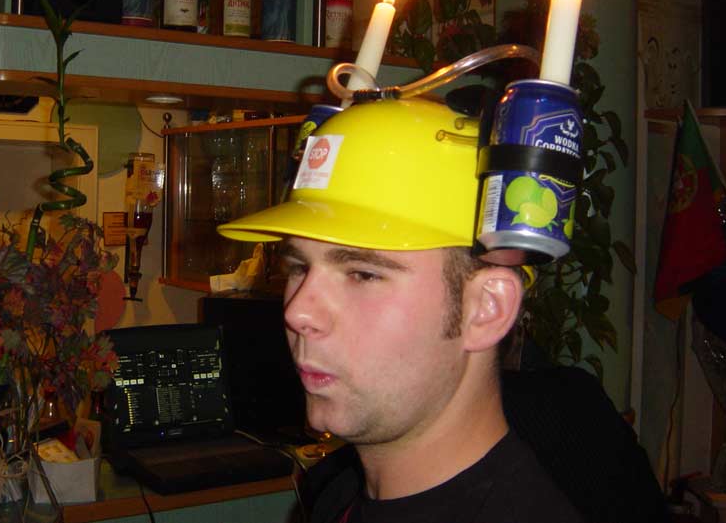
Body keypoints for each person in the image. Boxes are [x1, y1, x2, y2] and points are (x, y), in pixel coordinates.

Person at [218, 98, 584, 523]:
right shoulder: (336, 497)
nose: (298, 312)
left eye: (363, 274)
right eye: (299, 267)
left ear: (487, 309)